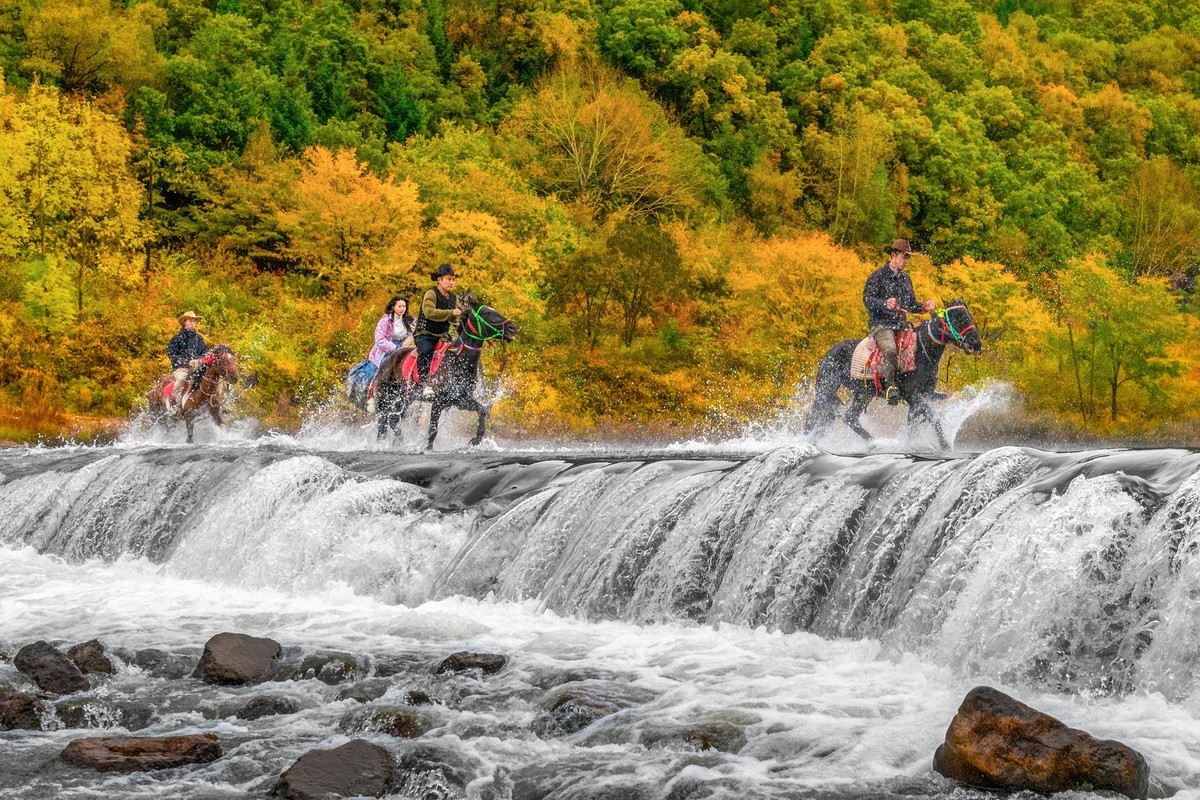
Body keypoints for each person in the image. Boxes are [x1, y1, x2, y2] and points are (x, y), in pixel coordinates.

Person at [862, 239, 935, 404]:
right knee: (890, 349)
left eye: (908, 258)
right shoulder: (877, 276)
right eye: (904, 257)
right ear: (894, 255)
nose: (907, 261)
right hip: (881, 325)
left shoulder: (906, 279)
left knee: (922, 348)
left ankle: (921, 385)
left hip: (901, 326)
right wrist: (884, 303)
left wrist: (924, 306)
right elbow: (867, 300)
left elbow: (911, 305)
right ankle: (890, 387)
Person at [412, 263, 462, 388]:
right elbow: (429, 313)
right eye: (449, 279)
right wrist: (451, 312)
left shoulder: (453, 298)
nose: (452, 282)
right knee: (427, 351)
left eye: (453, 280)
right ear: (439, 280)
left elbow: (453, 318)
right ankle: (423, 384)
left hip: (443, 336)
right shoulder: (431, 293)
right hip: (425, 334)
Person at [167, 311, 208, 409]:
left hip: (197, 367)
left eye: (194, 321)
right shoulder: (177, 338)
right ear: (185, 322)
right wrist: (187, 362)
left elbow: (204, 353)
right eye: (191, 321)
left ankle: (217, 403)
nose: (193, 323)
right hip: (181, 368)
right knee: (181, 379)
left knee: (212, 378)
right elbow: (172, 355)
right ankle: (175, 404)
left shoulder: (199, 339)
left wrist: (198, 360)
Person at [367, 295, 416, 372]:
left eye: (404, 306)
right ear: (393, 307)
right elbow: (380, 340)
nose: (402, 309)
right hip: (387, 350)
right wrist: (395, 348)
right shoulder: (385, 321)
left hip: (405, 347)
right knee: (386, 368)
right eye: (399, 306)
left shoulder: (410, 320)